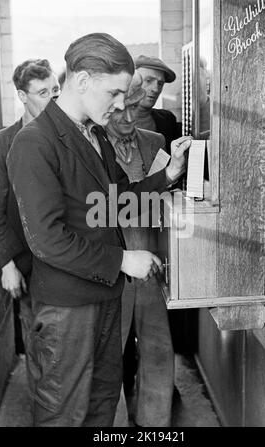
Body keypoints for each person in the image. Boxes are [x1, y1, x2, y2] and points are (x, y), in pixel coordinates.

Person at [7, 33, 191, 427]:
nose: (123, 104)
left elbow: (115, 201)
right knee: (65, 413)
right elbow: (47, 239)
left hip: (106, 296)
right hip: (68, 310)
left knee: (102, 406)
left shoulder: (95, 135)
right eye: (115, 92)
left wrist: (168, 174)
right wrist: (124, 258)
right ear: (84, 80)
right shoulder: (34, 143)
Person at [106, 72, 174, 427]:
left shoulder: (155, 140)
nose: (130, 120)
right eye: (123, 111)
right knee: (109, 358)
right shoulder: (90, 144)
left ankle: (154, 425)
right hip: (113, 266)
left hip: (151, 260)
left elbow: (166, 201)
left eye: (136, 110)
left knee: (159, 349)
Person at [0, 59, 60, 354]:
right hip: (25, 263)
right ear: (22, 96)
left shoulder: (68, 137)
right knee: (35, 342)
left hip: (63, 260)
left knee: (66, 347)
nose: (53, 99)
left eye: (56, 91)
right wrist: (7, 265)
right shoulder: (0, 144)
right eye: (43, 93)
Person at [135, 55, 181, 153]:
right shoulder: (112, 122)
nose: (155, 89)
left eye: (160, 83)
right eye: (148, 81)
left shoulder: (167, 120)